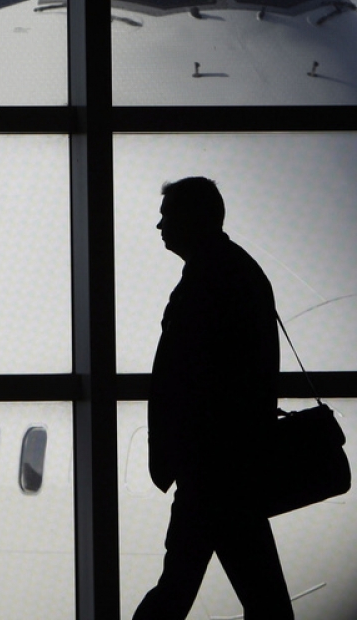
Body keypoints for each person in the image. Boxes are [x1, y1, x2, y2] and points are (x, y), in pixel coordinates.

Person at [133, 177, 293, 620]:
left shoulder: (208, 281)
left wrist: (178, 452)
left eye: (168, 216)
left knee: (178, 589)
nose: (160, 226)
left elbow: (188, 378)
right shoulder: (235, 272)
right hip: (228, 468)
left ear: (193, 220)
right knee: (257, 597)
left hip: (213, 469)